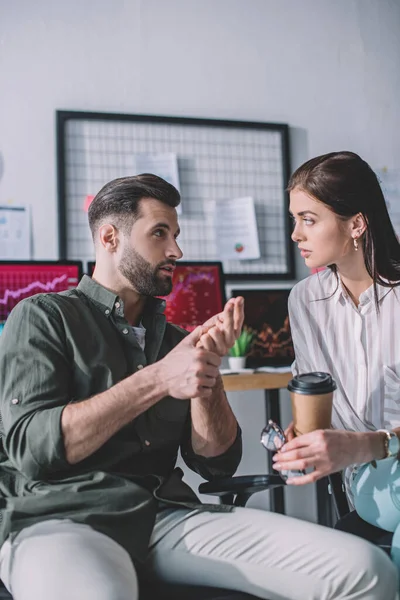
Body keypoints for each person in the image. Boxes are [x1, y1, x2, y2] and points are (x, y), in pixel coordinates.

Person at [0, 173, 396, 600]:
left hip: (166, 515)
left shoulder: (174, 340)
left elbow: (217, 464)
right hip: (62, 519)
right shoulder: (43, 316)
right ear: (110, 237)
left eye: (176, 234)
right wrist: (157, 378)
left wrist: (207, 377)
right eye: (159, 234)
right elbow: (33, 451)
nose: (177, 250)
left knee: (367, 571)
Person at [272, 151, 400, 578]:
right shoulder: (306, 301)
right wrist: (302, 436)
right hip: (371, 483)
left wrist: (370, 444)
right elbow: (315, 394)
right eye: (295, 219)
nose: (295, 234)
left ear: (356, 224)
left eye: (308, 219)